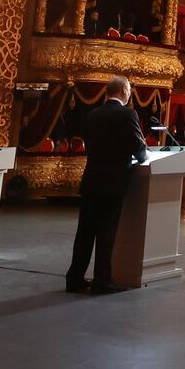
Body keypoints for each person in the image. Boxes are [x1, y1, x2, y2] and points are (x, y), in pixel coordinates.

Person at [66, 75, 148, 294]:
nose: (130, 92)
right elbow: (140, 152)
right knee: (106, 232)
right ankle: (102, 281)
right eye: (129, 88)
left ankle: (74, 278)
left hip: (91, 179)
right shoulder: (127, 114)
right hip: (113, 182)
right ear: (122, 90)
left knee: (84, 233)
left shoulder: (92, 114)